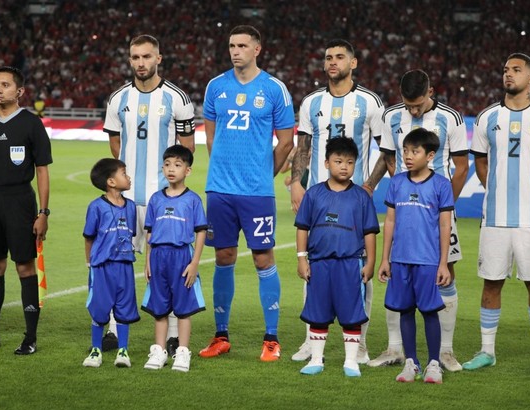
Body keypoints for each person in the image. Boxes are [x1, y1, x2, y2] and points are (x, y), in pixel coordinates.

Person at [199, 25, 295, 361]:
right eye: (231, 45)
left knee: (262, 258)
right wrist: (224, 172)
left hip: (257, 193)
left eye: (242, 45)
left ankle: (271, 338)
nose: (235, 51)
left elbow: (286, 142)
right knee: (223, 258)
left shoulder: (274, 89)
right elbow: (211, 138)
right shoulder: (216, 86)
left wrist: (262, 175)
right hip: (220, 191)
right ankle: (220, 336)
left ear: (257, 49)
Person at [289, 39, 385, 363]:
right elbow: (303, 146)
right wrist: (295, 184)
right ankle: (309, 341)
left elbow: (385, 151)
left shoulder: (370, 102)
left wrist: (369, 185)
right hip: (318, 198)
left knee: (359, 270)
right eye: (328, 57)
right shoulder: (312, 102)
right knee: (313, 267)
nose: (333, 62)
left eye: (339, 57)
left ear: (353, 63)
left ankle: (360, 345)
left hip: (354, 201)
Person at [369, 69, 469, 371]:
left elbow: (461, 167)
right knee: (398, 273)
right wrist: (402, 196)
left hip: (437, 208)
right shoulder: (391, 117)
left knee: (446, 270)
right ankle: (395, 349)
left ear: (431, 92)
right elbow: (388, 157)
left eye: (418, 104)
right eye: (408, 104)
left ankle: (446, 352)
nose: (413, 110)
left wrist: (441, 206)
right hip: (405, 208)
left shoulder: (451, 118)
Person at [103, 34, 195, 356]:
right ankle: (115, 327)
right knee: (119, 263)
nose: (141, 63)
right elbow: (116, 146)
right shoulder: (118, 99)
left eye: (146, 56)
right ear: (130, 60)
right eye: (135, 57)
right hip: (126, 201)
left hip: (164, 200)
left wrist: (171, 188)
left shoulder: (178, 99)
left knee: (167, 264)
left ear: (159, 58)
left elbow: (187, 149)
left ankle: (171, 332)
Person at [463, 53, 530, 375]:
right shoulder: (487, 118)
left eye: (516, 70)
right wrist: (495, 189)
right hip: (495, 219)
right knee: (491, 284)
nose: (508, 75)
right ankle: (487, 351)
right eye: (505, 70)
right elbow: (481, 162)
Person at [0, 66, 52, 355]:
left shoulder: (31, 123)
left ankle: (30, 337)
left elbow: (42, 171)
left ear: (19, 91)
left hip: (20, 201)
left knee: (25, 266)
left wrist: (43, 212)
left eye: (5, 84)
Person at [294, 137, 379, 376]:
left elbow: (370, 232)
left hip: (350, 264)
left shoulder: (361, 197)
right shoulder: (314, 194)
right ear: (326, 162)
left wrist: (370, 262)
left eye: (350, 162)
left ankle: (350, 361)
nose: (344, 166)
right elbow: (302, 227)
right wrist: (302, 258)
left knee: (351, 314)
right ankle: (316, 359)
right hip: (319, 264)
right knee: (318, 313)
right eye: (338, 161)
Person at [378, 128, 453, 384]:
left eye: (415, 151)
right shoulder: (396, 182)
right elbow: (389, 222)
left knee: (430, 311)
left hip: (428, 260)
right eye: (406, 151)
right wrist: (385, 258)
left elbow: (445, 226)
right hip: (400, 259)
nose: (408, 156)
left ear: (430, 155)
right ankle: (411, 362)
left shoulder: (442, 185)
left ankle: (434, 363)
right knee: (405, 310)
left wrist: (443, 263)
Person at [142, 145, 207, 372]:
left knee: (183, 308)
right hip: (158, 257)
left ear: (187, 171)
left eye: (178, 165)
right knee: (159, 307)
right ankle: (158, 352)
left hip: (182, 258)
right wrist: (147, 260)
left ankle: (182, 352)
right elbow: (149, 232)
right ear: (162, 168)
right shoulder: (156, 199)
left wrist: (194, 262)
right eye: (168, 165)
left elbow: (200, 232)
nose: (172, 169)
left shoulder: (193, 200)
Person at [82, 158, 139, 368]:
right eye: (124, 173)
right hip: (102, 267)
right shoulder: (96, 207)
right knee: (99, 308)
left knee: (124, 308)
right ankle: (96, 350)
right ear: (111, 182)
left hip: (124, 265)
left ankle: (123, 350)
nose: (128, 177)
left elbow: (130, 233)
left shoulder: (130, 206)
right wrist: (90, 264)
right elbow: (89, 237)